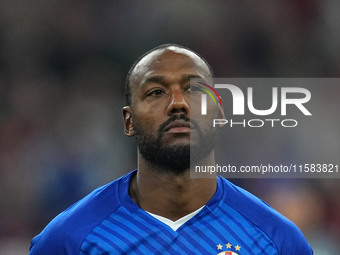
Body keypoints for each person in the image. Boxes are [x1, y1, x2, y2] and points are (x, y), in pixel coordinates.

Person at [29, 44, 313, 255]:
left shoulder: (278, 240)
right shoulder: (67, 240)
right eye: (156, 92)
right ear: (129, 121)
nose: (179, 103)